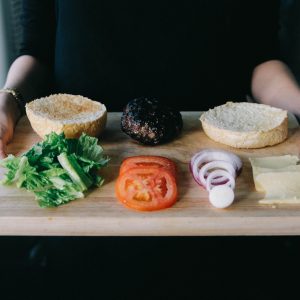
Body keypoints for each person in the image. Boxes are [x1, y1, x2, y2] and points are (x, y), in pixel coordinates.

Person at [0, 0, 300, 159]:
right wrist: (6, 103)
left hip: (215, 154)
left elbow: (260, 59)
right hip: (81, 156)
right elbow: (36, 53)